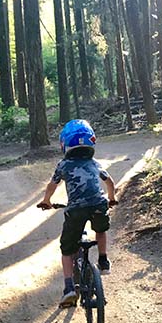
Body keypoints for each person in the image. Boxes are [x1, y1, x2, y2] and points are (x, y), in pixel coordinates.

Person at [38, 120, 117, 308]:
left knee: (67, 250)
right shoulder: (93, 162)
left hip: (76, 210)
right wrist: (112, 198)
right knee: (100, 230)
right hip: (98, 204)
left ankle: (69, 289)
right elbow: (110, 182)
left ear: (65, 143)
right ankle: (103, 260)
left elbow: (52, 185)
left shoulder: (64, 164)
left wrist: (46, 201)